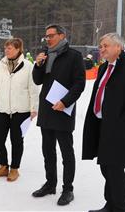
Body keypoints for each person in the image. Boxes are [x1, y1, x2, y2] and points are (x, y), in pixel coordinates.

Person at [82, 33, 125, 212]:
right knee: (106, 166)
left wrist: (123, 119)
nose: (101, 49)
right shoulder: (104, 67)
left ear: (118, 47)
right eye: (100, 46)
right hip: (101, 125)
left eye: (105, 45)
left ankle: (119, 207)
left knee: (115, 168)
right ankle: (110, 204)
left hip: (119, 129)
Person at [32, 24, 85, 205]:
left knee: (66, 152)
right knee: (48, 150)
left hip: (63, 109)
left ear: (62, 36)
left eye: (51, 35)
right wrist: (38, 65)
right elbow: (37, 80)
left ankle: (68, 188)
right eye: (46, 36)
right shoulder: (45, 55)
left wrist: (65, 101)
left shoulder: (74, 56)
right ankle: (50, 183)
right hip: (47, 110)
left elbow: (79, 84)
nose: (47, 39)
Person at [0, 38, 39, 182]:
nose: (7, 50)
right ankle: (3, 166)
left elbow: (33, 89)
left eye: (10, 48)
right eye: (6, 48)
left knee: (17, 140)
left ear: (18, 49)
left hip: (21, 110)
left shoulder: (28, 66)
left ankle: (15, 168)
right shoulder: (0, 66)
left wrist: (34, 108)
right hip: (1, 109)